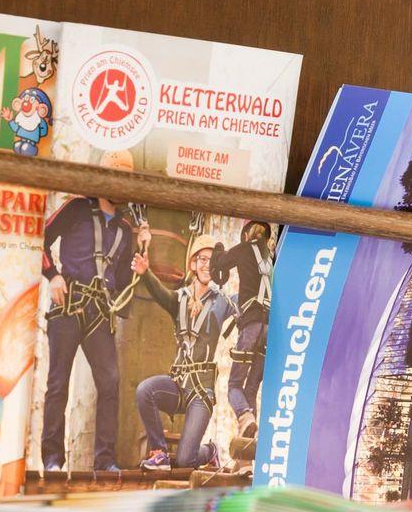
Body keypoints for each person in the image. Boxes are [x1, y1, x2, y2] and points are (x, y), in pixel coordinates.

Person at [39, 155, 148, 476]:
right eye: (114, 176)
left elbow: (123, 282)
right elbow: (39, 237)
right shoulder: (76, 207)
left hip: (100, 311)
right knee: (58, 382)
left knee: (110, 384)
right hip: (69, 303)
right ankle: (52, 459)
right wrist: (53, 276)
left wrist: (141, 259)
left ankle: (104, 460)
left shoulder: (125, 229)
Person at [133, 240, 236, 471]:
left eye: (213, 260)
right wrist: (145, 273)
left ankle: (209, 451)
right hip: (178, 386)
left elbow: (248, 304)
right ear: (192, 264)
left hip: (201, 393)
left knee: (183, 461)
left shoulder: (223, 301)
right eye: (202, 259)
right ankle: (159, 453)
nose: (207, 265)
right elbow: (160, 293)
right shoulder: (179, 299)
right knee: (145, 390)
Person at [210, 221, 275, 461]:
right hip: (269, 328)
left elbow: (219, 263)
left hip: (250, 325)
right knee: (251, 388)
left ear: (247, 235)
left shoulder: (244, 249)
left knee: (234, 386)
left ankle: (245, 418)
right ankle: (248, 453)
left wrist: (218, 247)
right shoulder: (271, 259)